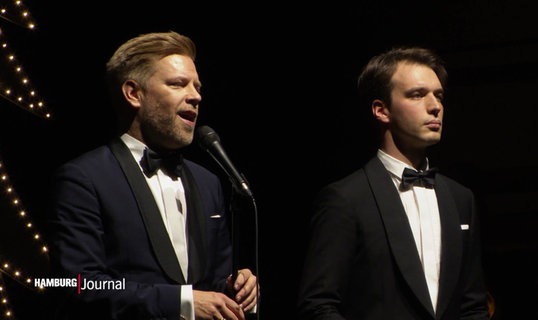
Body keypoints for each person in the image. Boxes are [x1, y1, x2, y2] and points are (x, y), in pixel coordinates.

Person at [46, 31, 258, 320]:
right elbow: (75, 285)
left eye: (197, 86)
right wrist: (182, 303)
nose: (195, 96)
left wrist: (237, 287)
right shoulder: (83, 178)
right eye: (178, 84)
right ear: (134, 93)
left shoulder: (209, 182)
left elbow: (211, 286)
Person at [297, 46, 490, 319]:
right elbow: (318, 305)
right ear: (381, 110)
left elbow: (473, 306)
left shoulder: (460, 198)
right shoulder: (346, 199)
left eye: (439, 95)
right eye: (417, 95)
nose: (435, 106)